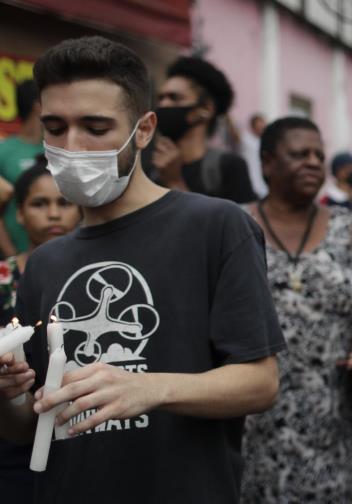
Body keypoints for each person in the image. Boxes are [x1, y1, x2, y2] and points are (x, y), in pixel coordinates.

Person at [0, 36, 284, 503]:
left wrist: (149, 388)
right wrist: (8, 393)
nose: (72, 146)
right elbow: (31, 423)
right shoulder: (46, 262)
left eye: (95, 127)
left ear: (145, 129)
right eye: (55, 127)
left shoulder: (216, 226)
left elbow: (259, 381)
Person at [241, 117, 352, 503]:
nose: (313, 162)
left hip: (335, 418)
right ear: (268, 162)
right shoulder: (236, 224)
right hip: (255, 422)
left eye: (318, 155)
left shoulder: (348, 226)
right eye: (299, 154)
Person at [0, 156, 81, 503]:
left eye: (63, 203)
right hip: (11, 436)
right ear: (19, 214)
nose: (53, 214)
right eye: (39, 203)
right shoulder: (4, 279)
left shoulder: (83, 280)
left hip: (76, 429)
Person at [152, 56, 256, 203]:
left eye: (174, 98)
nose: (163, 105)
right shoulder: (153, 168)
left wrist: (174, 183)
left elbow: (238, 225)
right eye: (160, 98)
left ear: (206, 109)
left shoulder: (229, 167)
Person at [0, 80, 43, 257]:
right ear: (37, 105)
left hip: (56, 255)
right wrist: (11, 254)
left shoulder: (58, 149)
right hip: (14, 256)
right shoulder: (4, 151)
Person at [241, 113, 269, 198]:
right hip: (250, 185)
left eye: (263, 125)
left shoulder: (267, 142)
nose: (262, 128)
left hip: (264, 188)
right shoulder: (246, 139)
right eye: (259, 125)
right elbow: (235, 134)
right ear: (253, 127)